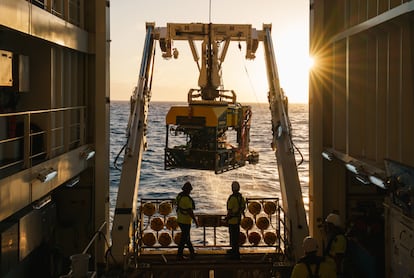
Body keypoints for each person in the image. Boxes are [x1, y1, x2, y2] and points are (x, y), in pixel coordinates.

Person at [175, 181, 198, 260]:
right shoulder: (186, 199)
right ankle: (179, 255)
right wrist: (195, 220)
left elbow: (175, 204)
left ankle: (192, 252)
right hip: (186, 221)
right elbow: (190, 211)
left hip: (179, 220)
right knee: (184, 238)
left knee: (186, 237)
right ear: (188, 190)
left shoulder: (179, 196)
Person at [226, 181, 246, 259]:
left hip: (232, 221)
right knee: (236, 237)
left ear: (232, 189)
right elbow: (243, 208)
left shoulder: (232, 198)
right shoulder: (241, 198)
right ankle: (235, 251)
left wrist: (226, 219)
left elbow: (230, 211)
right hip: (238, 220)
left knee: (233, 237)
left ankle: (235, 254)